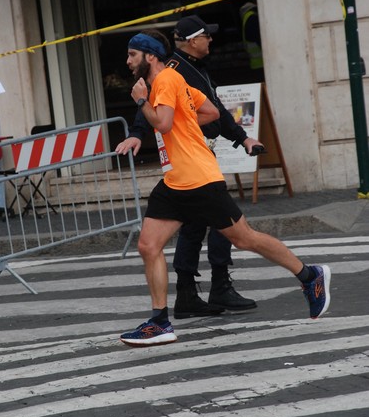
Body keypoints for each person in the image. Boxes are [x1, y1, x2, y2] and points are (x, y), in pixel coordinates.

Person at [117, 30, 331, 346]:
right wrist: (184, 122)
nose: (127, 61)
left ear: (149, 56)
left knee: (245, 239)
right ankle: (160, 322)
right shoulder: (175, 81)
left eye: (132, 55)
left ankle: (310, 276)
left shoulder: (162, 82)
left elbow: (161, 123)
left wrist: (140, 100)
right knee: (149, 246)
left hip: (200, 181)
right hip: (177, 181)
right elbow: (211, 112)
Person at [117, 15, 263, 320]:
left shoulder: (194, 70)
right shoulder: (174, 71)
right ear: (191, 41)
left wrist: (241, 138)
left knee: (196, 223)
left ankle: (188, 293)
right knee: (219, 222)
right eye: (205, 36)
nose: (210, 40)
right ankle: (212, 286)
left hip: (196, 152)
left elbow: (214, 109)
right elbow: (153, 106)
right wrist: (136, 133)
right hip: (191, 158)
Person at [239, 1, 264, 83]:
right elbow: (257, 37)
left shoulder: (246, 19)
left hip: (255, 62)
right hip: (262, 61)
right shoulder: (252, 18)